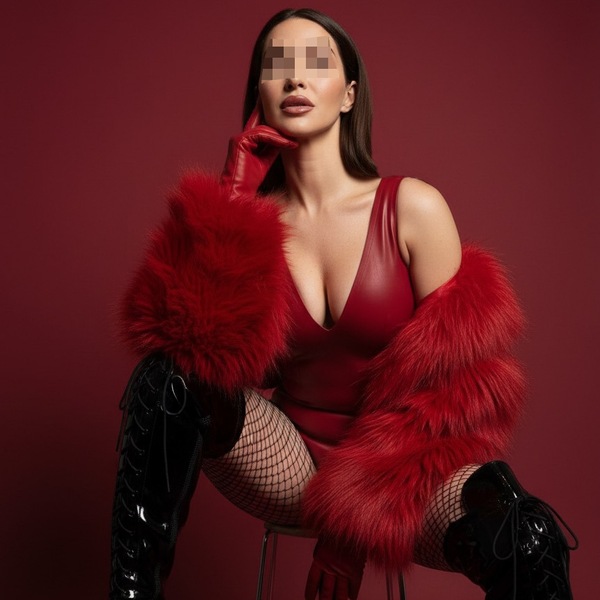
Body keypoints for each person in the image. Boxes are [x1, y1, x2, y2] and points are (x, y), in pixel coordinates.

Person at [109, 8, 577, 600]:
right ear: (259, 94)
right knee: (169, 377)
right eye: (276, 66)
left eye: (316, 63)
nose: (294, 78)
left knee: (527, 534)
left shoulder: (413, 208)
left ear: (350, 94)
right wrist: (230, 203)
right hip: (290, 459)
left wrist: (351, 524)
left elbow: (461, 397)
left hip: (404, 472)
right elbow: (193, 350)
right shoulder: (252, 222)